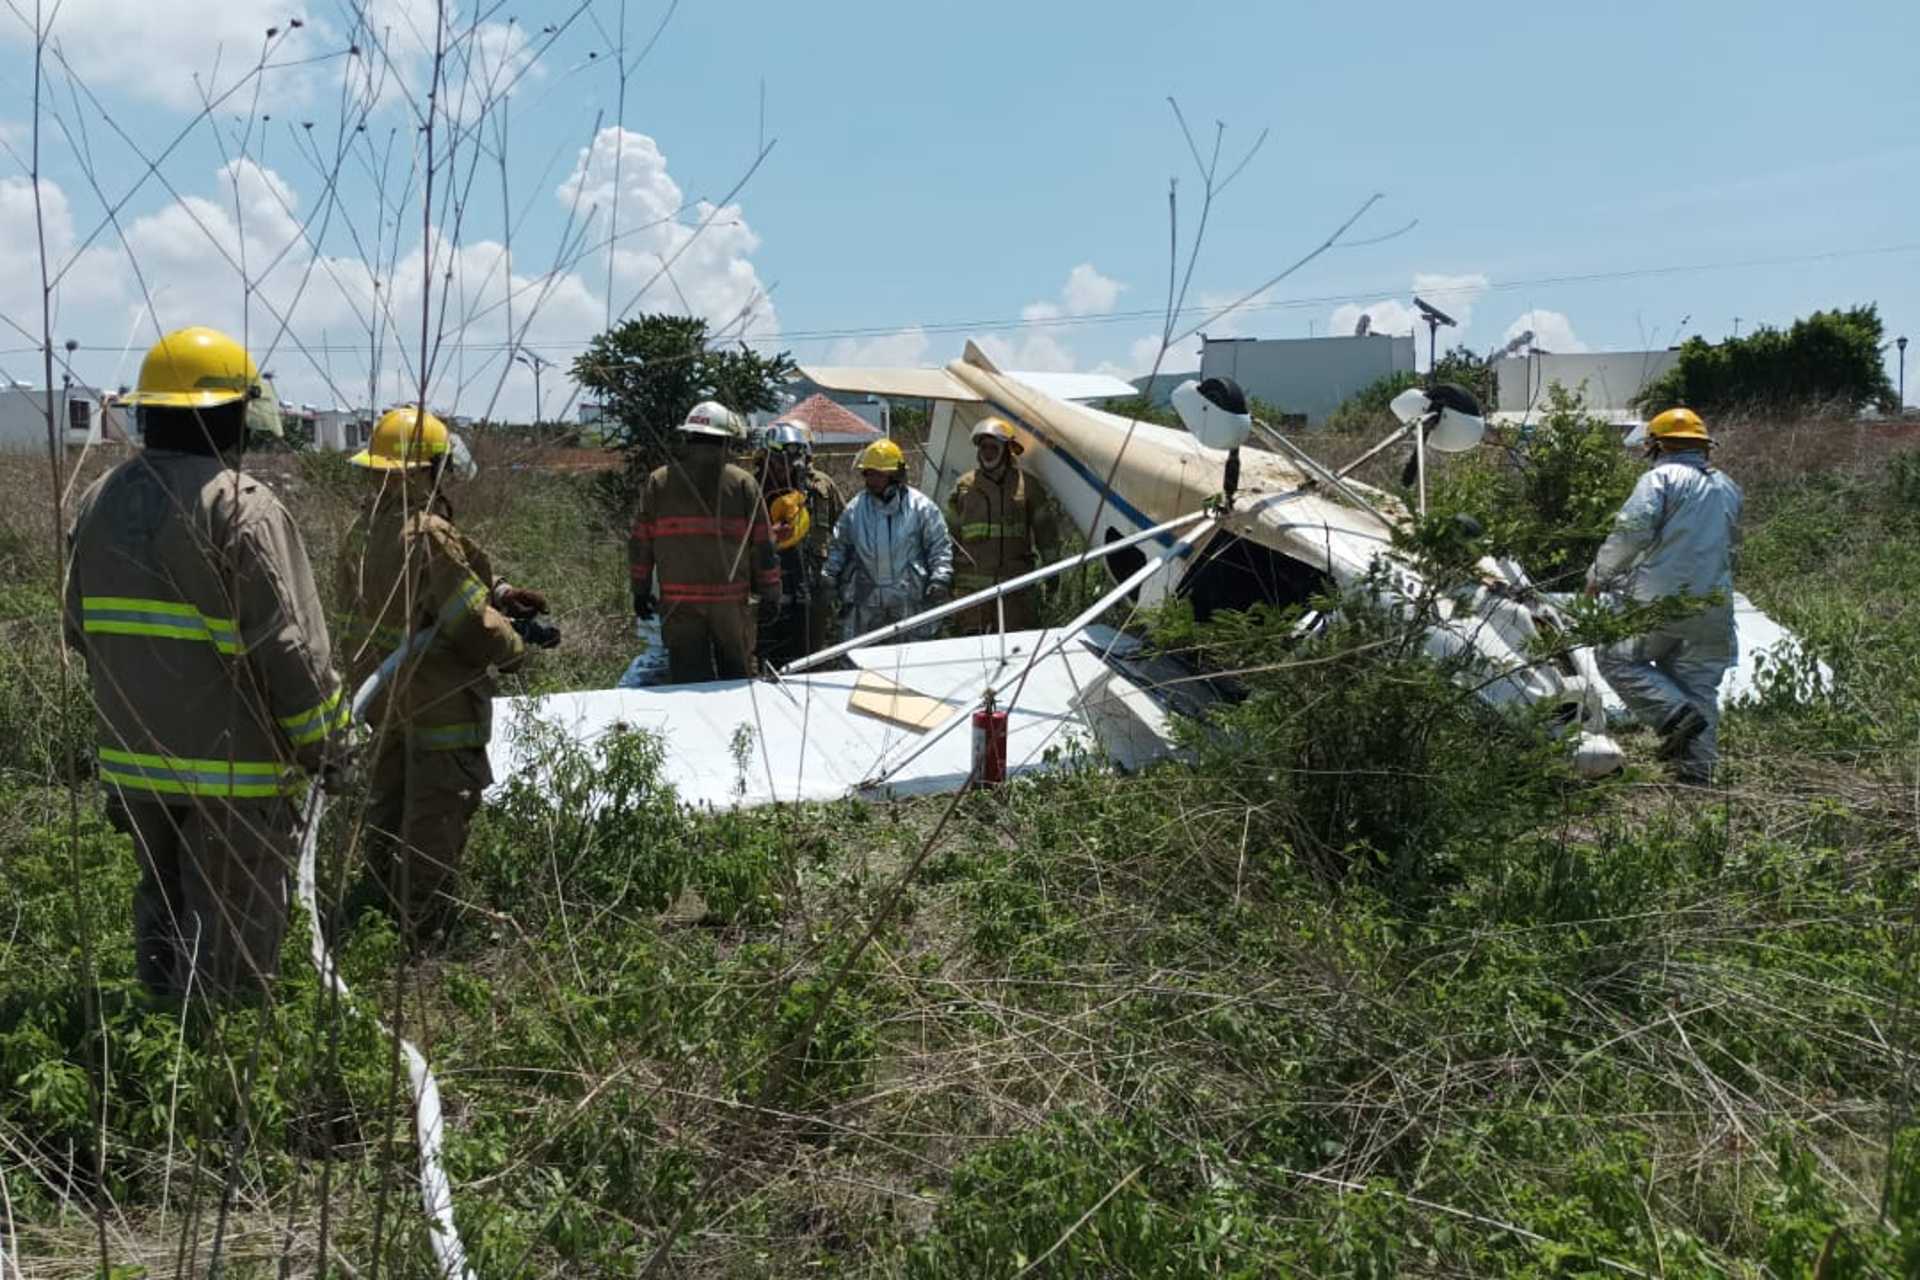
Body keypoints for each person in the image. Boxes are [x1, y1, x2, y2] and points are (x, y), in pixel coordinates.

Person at [64, 325, 351, 1001]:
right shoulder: (241, 508)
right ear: (232, 413)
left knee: (161, 919)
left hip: (136, 766)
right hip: (236, 777)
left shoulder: (100, 499)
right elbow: (290, 651)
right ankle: (216, 1087)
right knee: (232, 950)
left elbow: (78, 629)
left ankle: (154, 1053)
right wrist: (330, 749)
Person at [336, 405, 557, 944]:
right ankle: (419, 934)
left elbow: (442, 587)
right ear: (422, 470)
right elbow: (468, 621)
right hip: (441, 706)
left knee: (389, 805)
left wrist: (500, 591)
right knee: (435, 819)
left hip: (388, 704)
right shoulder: (427, 533)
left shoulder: (364, 531)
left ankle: (377, 911)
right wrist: (516, 646)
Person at [1585, 406, 1744, 784]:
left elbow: (1631, 533)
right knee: (1699, 687)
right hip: (1715, 605)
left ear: (1656, 445)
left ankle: (1674, 717)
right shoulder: (1728, 486)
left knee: (1615, 657)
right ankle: (1697, 778)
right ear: (1703, 446)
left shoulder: (1660, 479)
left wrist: (1599, 574)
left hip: (1657, 602)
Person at [630, 401, 782, 681]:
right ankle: (740, 727)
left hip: (679, 603)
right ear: (727, 440)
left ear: (688, 437)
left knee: (688, 682)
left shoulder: (659, 482)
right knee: (737, 681)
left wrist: (639, 590)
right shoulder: (742, 483)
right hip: (731, 604)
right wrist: (771, 593)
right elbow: (764, 546)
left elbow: (641, 543)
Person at [823, 438, 953, 641]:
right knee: (864, 664)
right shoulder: (854, 510)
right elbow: (839, 546)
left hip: (910, 602)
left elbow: (939, 547)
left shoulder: (922, 508)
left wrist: (940, 578)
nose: (871, 480)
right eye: (868, 473)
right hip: (866, 604)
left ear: (896, 475)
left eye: (878, 474)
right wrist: (829, 575)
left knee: (910, 662)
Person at [946, 416, 1061, 635]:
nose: (987, 452)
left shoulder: (1029, 487)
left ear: (1007, 450)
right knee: (972, 653)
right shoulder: (963, 487)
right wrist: (946, 579)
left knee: (1015, 651)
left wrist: (1053, 572)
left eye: (993, 447)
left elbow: (1046, 534)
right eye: (983, 447)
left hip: (1015, 592)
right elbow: (948, 537)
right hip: (972, 595)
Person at [755, 420, 846, 666]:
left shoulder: (817, 487)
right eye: (778, 461)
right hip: (763, 588)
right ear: (766, 458)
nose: (786, 469)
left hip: (810, 585)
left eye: (793, 461)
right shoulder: (751, 489)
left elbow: (844, 527)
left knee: (809, 656)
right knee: (765, 654)